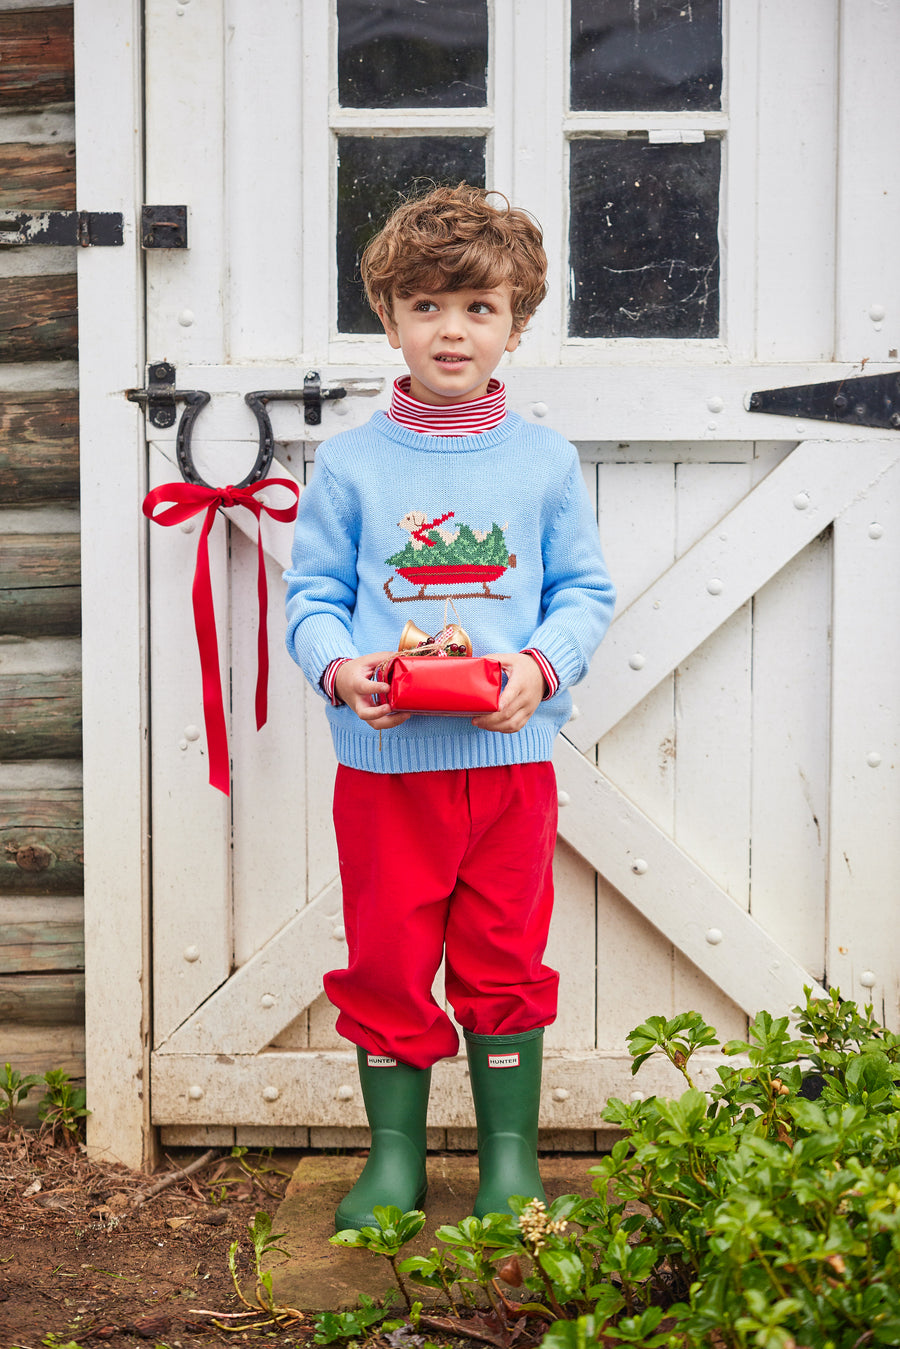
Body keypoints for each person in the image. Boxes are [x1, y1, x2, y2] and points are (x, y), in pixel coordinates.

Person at [284, 184, 615, 1231]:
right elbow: (311, 602)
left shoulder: (542, 460)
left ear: (517, 321)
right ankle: (395, 1160)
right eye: (427, 305)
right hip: (386, 774)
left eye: (479, 307)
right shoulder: (352, 464)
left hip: (508, 768)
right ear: (388, 318)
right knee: (386, 958)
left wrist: (541, 667)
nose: (453, 329)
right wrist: (343, 673)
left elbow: (584, 592)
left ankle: (508, 1157)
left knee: (504, 957)